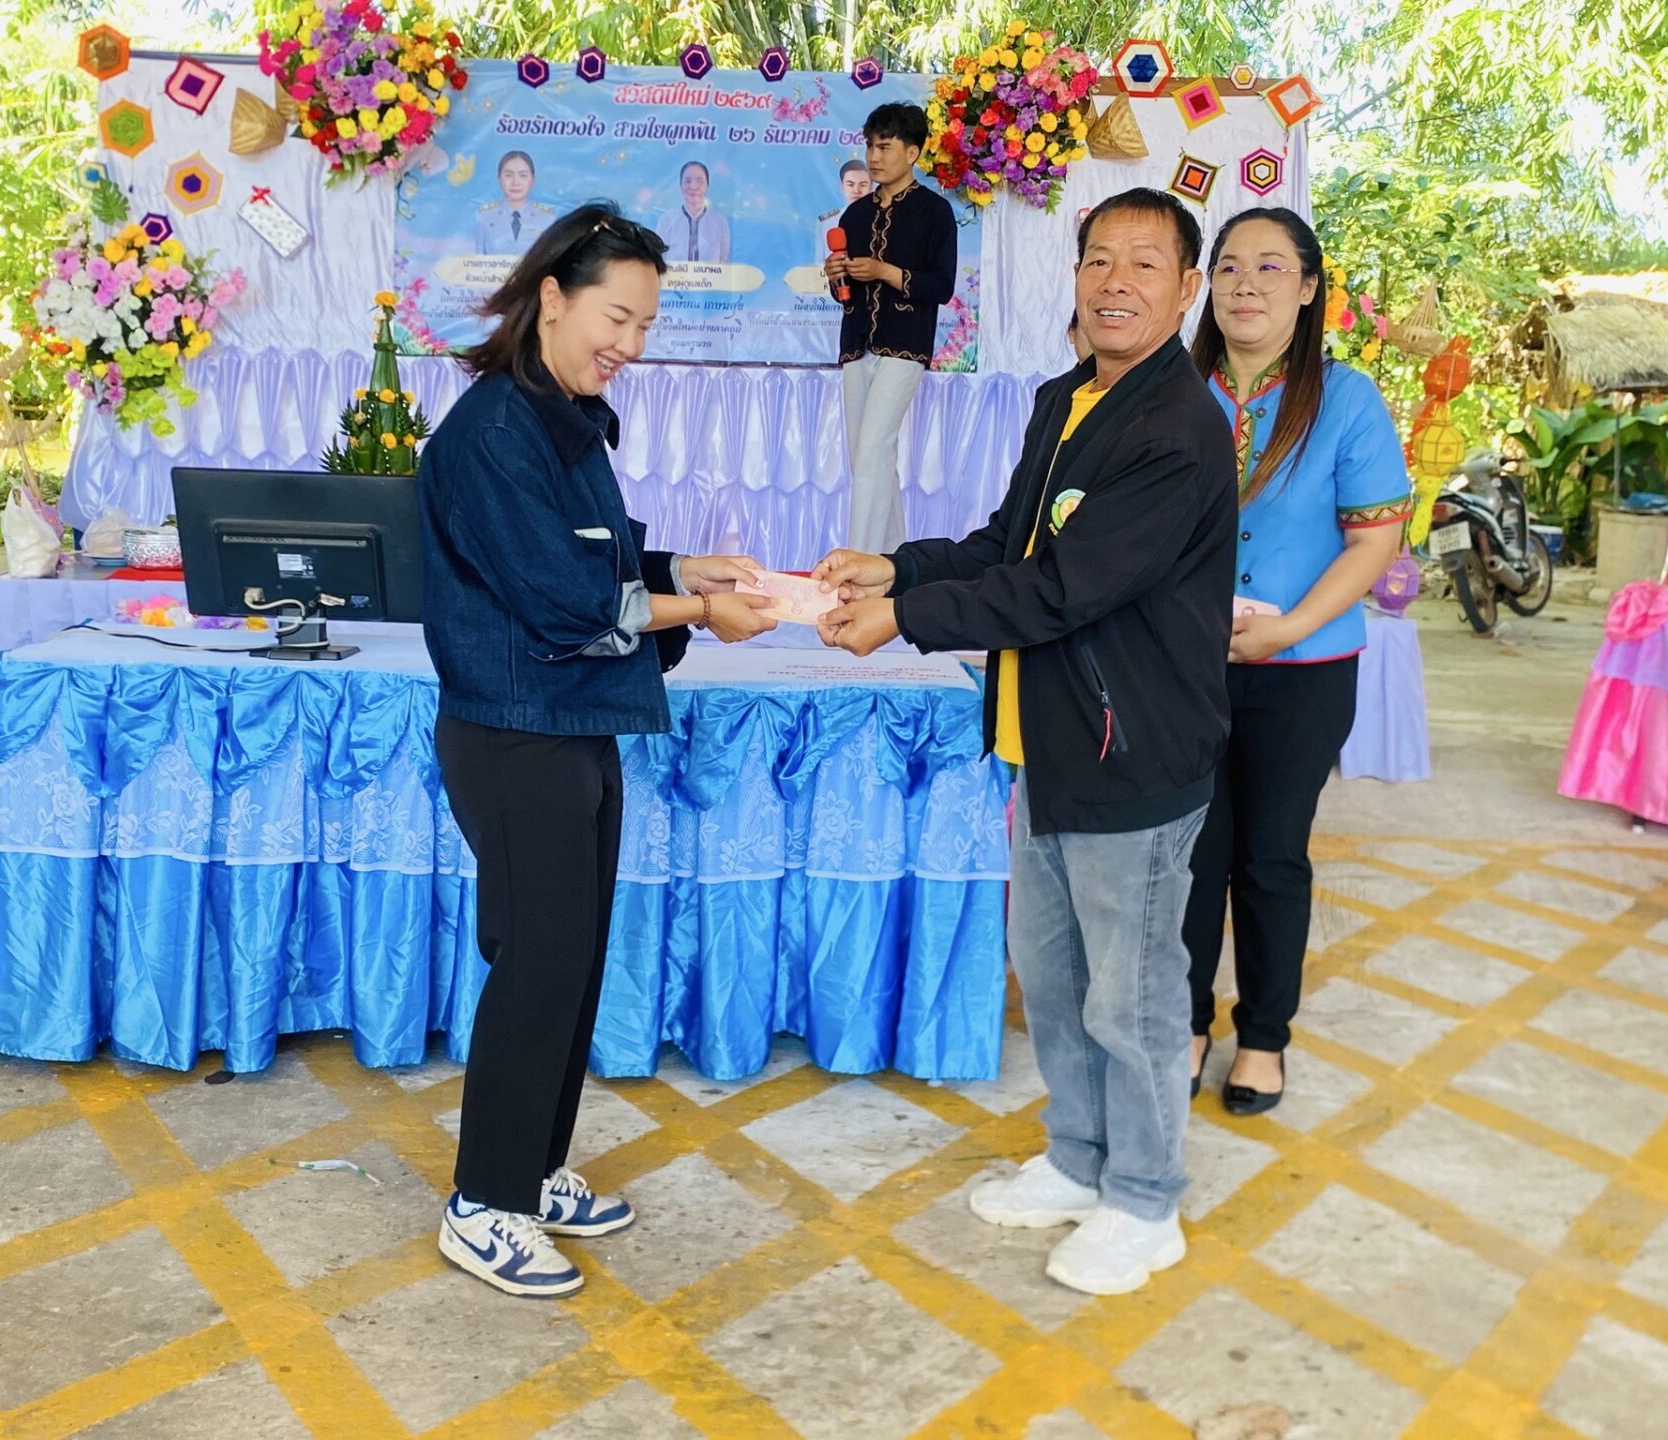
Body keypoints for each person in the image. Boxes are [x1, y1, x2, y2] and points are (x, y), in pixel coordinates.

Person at [811, 189, 1236, 1295]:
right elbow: (1011, 545)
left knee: (1132, 995)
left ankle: (1145, 1199)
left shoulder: (1178, 429)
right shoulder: (1068, 397)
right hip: (1046, 739)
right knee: (1053, 978)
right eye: (1099, 260)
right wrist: (898, 566)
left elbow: (1062, 589)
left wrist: (903, 619)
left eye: (1145, 264)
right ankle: (1079, 1161)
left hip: (1132, 754)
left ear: (1185, 291)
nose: (1115, 283)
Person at [415, 202, 777, 1298]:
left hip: (573, 725)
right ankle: (483, 1203)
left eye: (645, 324)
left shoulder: (563, 419)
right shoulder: (493, 433)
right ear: (551, 298)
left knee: (569, 961)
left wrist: (686, 571)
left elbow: (598, 561)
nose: (630, 343)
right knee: (536, 963)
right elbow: (568, 603)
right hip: (514, 732)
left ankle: (532, 1168)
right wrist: (698, 612)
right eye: (616, 317)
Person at [1182, 207, 1412, 1114]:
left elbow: (1373, 541)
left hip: (1305, 667)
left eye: (1271, 267)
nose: (1247, 284)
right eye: (1230, 266)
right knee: (1189, 853)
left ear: (1310, 288)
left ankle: (1263, 1036)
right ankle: (1187, 1021)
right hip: (1183, 666)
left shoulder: (1345, 399)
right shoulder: (1173, 389)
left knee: (1271, 856)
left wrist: (1290, 627)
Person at [824, 102, 958, 555]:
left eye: (884, 147)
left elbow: (941, 286)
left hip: (905, 346)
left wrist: (884, 271)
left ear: (913, 152)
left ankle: (855, 565)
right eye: (870, 146)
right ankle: (894, 563)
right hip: (855, 345)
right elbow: (843, 295)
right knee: (868, 458)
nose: (873, 157)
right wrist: (836, 276)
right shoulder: (855, 215)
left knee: (873, 450)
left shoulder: (934, 212)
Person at [475, 151, 553, 257]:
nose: (515, 182)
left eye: (523, 175)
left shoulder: (547, 218)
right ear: (499, 179)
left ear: (532, 180)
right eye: (508, 175)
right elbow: (478, 260)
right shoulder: (485, 217)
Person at [656, 161, 731, 265]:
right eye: (688, 181)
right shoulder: (667, 220)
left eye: (700, 181)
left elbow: (724, 261)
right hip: (674, 276)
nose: (693, 186)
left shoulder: (719, 222)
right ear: (680, 185)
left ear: (707, 185)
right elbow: (658, 259)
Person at [817, 157, 872, 247]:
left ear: (871, 188)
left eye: (863, 185)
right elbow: (821, 255)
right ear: (842, 187)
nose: (856, 191)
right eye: (850, 184)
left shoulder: (882, 219)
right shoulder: (827, 222)